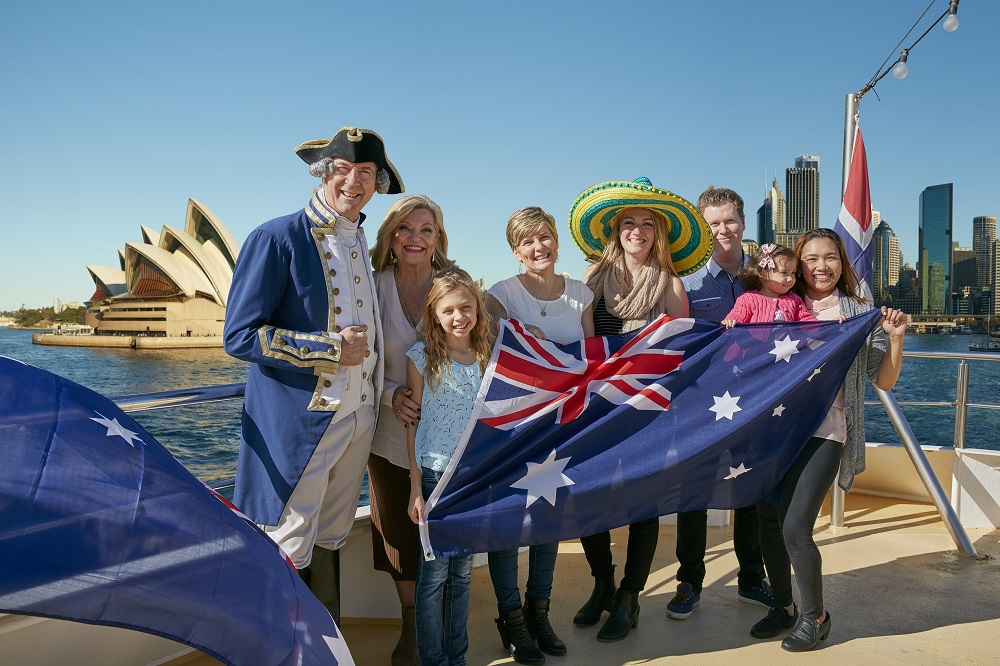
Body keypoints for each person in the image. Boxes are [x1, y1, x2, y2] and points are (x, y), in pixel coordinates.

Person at [223, 126, 403, 623]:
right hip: (301, 424)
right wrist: (327, 349)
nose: (353, 181)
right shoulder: (275, 236)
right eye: (342, 170)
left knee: (329, 535)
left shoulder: (362, 240)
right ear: (323, 174)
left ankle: (327, 646)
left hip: (360, 417)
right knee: (288, 540)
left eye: (365, 172)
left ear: (377, 182)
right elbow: (239, 335)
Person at [567, 177, 712, 642]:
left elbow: (683, 348)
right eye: (628, 222)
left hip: (649, 409)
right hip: (599, 408)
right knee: (589, 499)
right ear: (615, 230)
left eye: (647, 223)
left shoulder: (669, 284)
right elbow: (582, 343)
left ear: (659, 233)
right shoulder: (591, 279)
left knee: (642, 505)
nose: (637, 230)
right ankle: (604, 584)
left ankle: (630, 597)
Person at [749, 227, 907, 651]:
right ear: (797, 265)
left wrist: (896, 339)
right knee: (768, 518)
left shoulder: (860, 311)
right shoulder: (782, 303)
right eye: (812, 259)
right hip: (774, 427)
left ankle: (814, 616)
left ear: (843, 263)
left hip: (826, 428)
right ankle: (781, 606)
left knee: (796, 524)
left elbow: (884, 380)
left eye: (831, 258)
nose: (822, 267)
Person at [484, 207, 594, 664]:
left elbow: (591, 359)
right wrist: (515, 334)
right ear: (515, 251)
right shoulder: (500, 295)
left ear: (555, 241)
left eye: (544, 237)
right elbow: (485, 352)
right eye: (527, 242)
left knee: (550, 518)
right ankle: (511, 619)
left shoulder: (581, 295)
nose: (539, 248)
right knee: (509, 522)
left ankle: (539, 611)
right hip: (512, 428)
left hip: (560, 425)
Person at [668, 186, 773, 621]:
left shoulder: (766, 280)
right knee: (692, 495)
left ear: (743, 223)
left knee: (751, 491)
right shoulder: (688, 285)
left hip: (756, 402)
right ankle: (689, 582)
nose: (722, 230)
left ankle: (751, 579)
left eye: (729, 220)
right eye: (712, 223)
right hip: (701, 408)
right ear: (702, 228)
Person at [369, 194, 451, 665]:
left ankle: (435, 618)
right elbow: (359, 358)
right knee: (398, 528)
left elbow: (476, 342)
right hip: (386, 427)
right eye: (405, 228)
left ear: (438, 239)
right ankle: (412, 630)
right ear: (391, 239)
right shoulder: (373, 288)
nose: (415, 238)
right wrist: (389, 394)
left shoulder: (452, 286)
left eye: (426, 229)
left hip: (446, 433)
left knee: (437, 523)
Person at [406, 268, 495, 666]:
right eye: (449, 310)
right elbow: (411, 423)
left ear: (477, 308)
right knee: (434, 578)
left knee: (462, 576)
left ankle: (457, 657)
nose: (459, 317)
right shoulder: (422, 357)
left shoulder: (486, 355)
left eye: (466, 307)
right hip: (436, 475)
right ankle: (433, 659)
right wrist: (415, 488)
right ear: (435, 314)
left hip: (473, 477)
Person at [721, 243, 817, 328]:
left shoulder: (795, 300)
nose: (791, 278)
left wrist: (823, 328)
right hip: (758, 348)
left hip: (788, 347)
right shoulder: (748, 299)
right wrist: (730, 322)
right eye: (784, 273)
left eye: (793, 273)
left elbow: (806, 321)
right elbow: (737, 317)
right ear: (763, 273)